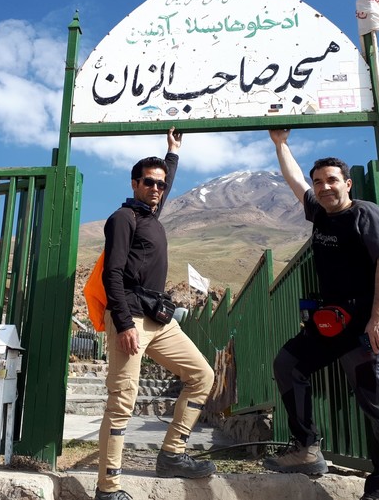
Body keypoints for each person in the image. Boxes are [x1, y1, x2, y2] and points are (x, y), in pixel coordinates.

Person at [264, 128, 379, 500]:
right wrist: (280, 144)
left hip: (368, 326)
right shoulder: (320, 212)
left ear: (347, 183)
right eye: (319, 182)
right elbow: (295, 181)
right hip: (333, 321)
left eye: (331, 180)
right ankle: (307, 448)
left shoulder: (365, 214)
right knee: (288, 364)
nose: (324, 187)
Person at [94, 128, 216, 500]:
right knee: (122, 404)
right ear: (135, 184)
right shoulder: (124, 218)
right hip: (130, 318)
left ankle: (172, 454)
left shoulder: (151, 214)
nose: (157, 188)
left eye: (161, 184)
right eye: (149, 182)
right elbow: (111, 273)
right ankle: (108, 489)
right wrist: (124, 323)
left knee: (202, 376)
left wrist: (172, 152)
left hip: (159, 321)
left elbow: (167, 178)